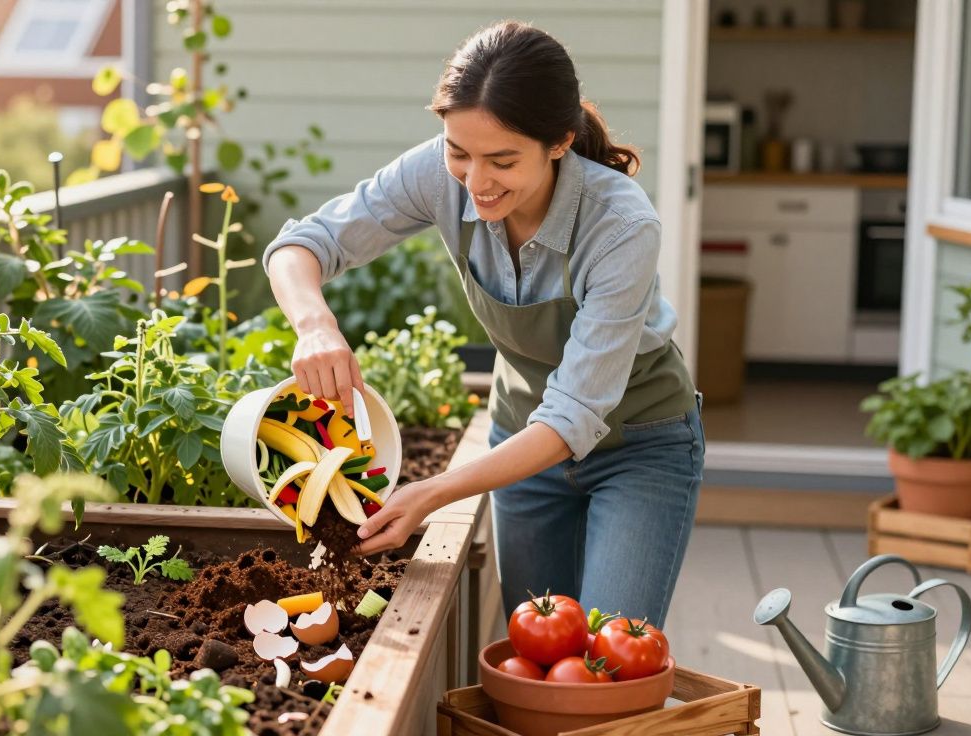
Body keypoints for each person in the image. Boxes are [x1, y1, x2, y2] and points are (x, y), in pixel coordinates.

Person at [260, 20, 704, 626]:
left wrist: (434, 494)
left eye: (502, 160)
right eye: (458, 152)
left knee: (610, 661)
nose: (475, 182)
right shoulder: (439, 175)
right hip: (520, 441)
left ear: (559, 142)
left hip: (639, 447)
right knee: (533, 655)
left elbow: (575, 414)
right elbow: (302, 244)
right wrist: (314, 324)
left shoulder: (621, 225)